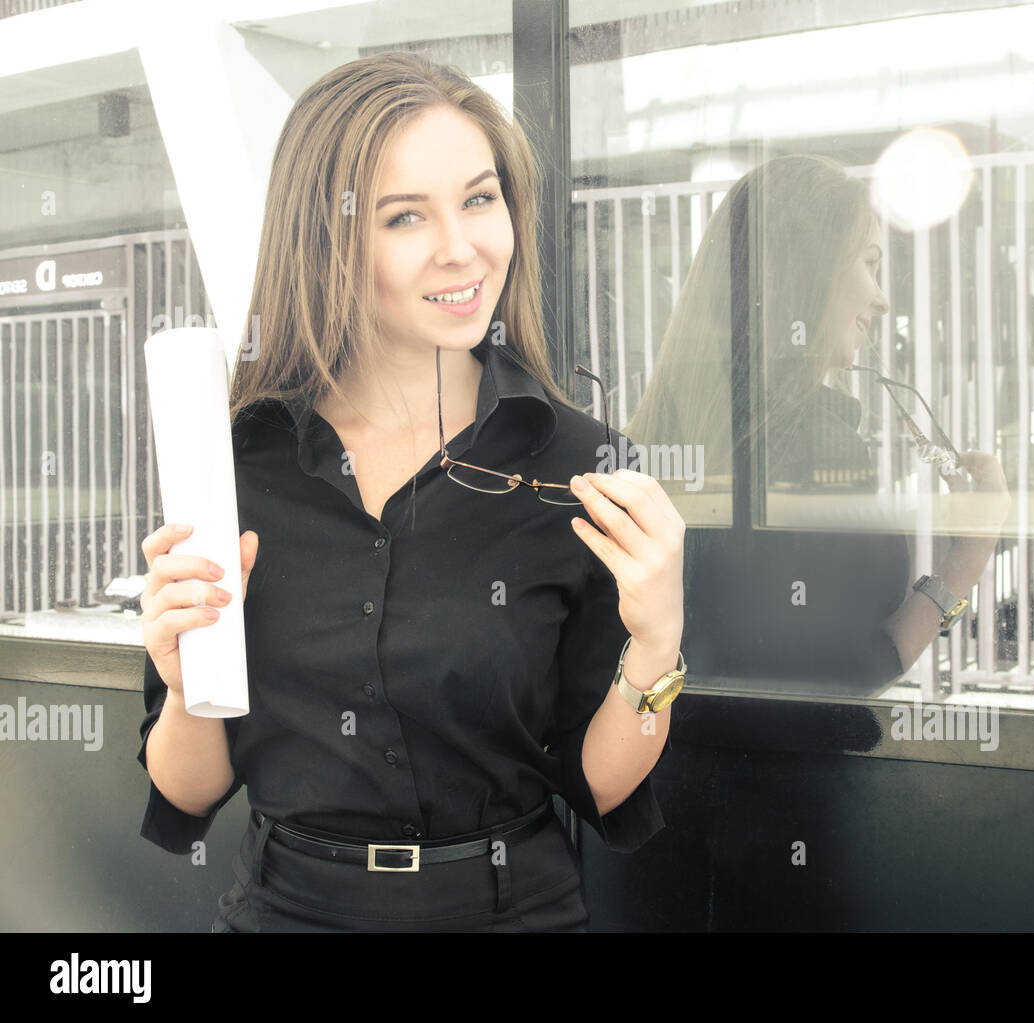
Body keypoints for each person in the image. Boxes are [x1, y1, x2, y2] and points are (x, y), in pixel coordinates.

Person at [135, 53, 687, 932]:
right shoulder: (237, 466)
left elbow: (599, 784)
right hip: (289, 910)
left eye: (479, 198)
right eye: (404, 216)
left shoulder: (581, 465)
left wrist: (656, 643)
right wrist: (178, 671)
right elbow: (189, 788)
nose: (462, 246)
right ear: (327, 240)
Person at [623, 154, 1010, 691]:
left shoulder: (660, 431)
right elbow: (852, 671)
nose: (881, 298)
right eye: (869, 263)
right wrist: (970, 553)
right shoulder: (814, 443)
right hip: (794, 771)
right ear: (810, 272)